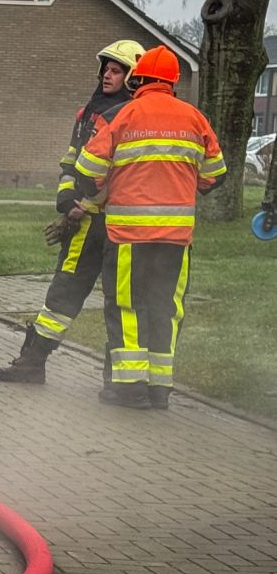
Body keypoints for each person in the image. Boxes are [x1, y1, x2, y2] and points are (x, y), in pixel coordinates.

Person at [74, 44, 225, 409]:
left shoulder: (124, 114)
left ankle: (129, 388)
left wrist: (99, 190)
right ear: (173, 82)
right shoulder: (195, 118)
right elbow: (215, 175)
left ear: (137, 79)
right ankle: (159, 388)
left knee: (127, 308)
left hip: (128, 237)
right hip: (176, 240)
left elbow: (88, 169)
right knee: (165, 309)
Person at [0, 40, 144, 384]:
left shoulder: (133, 117)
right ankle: (33, 362)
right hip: (86, 222)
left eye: (116, 70)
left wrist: (82, 207)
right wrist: (67, 204)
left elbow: (120, 174)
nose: (107, 75)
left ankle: (120, 378)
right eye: (105, 69)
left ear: (132, 77)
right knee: (63, 291)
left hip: (119, 225)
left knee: (120, 301)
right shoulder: (88, 113)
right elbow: (72, 160)